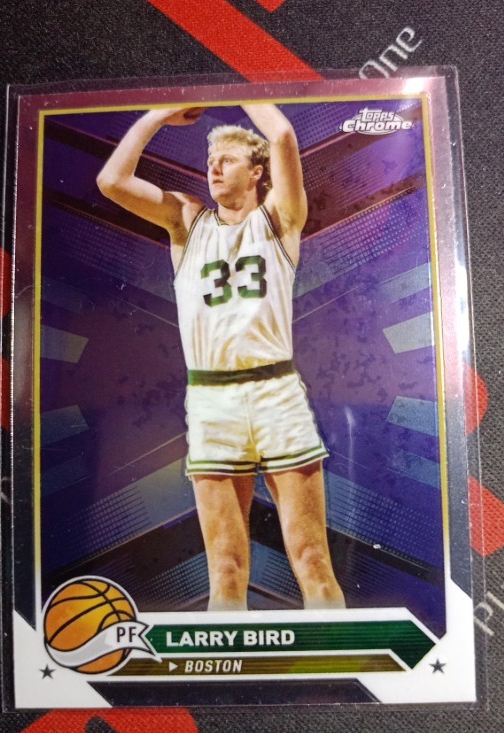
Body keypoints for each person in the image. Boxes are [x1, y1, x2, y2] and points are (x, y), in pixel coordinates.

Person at [97, 103, 345, 611]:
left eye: (227, 159)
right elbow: (112, 181)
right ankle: (227, 654)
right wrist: (157, 116)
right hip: (212, 399)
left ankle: (338, 654)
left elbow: (282, 135)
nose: (213, 168)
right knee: (226, 569)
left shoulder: (279, 217)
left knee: (312, 558)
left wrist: (239, 88)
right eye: (210, 160)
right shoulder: (187, 219)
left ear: (256, 172)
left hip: (276, 394)